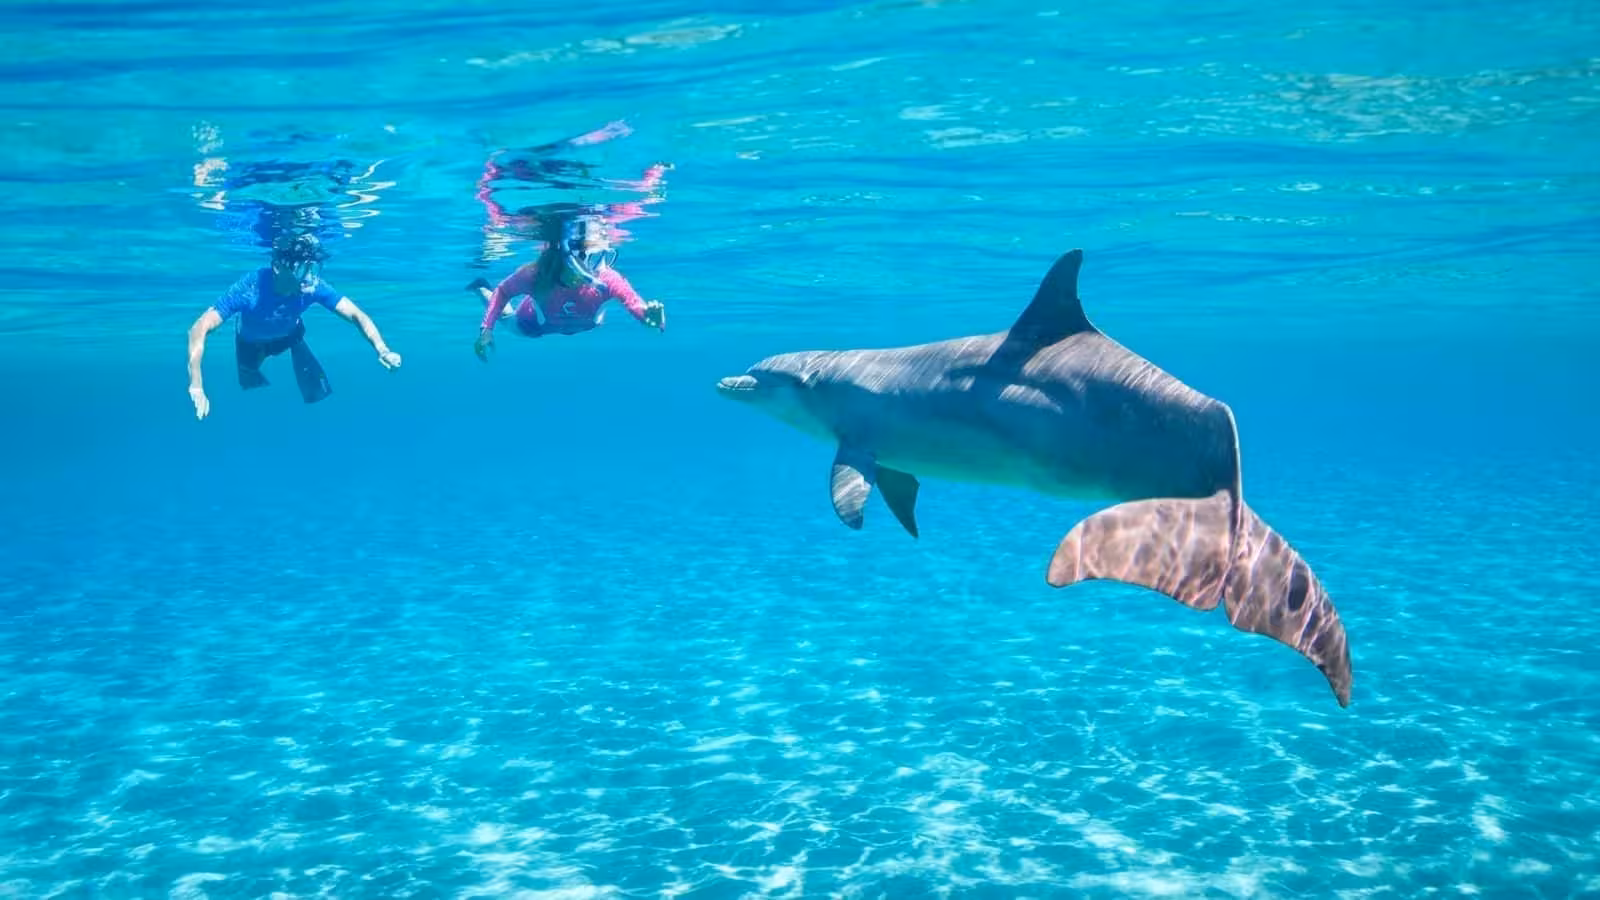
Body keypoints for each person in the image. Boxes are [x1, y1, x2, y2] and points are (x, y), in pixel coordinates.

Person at [185, 230, 401, 420]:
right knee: (249, 378)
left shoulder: (312, 287)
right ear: (278, 267)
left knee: (313, 384)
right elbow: (199, 328)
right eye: (302, 271)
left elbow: (356, 314)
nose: (309, 278)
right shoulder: (251, 288)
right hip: (251, 343)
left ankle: (297, 353)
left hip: (291, 335)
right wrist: (196, 383)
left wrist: (382, 349)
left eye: (314, 269)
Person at [468, 208, 666, 359]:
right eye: (588, 260)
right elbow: (503, 292)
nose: (593, 271)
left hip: (579, 325)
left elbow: (636, 306)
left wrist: (652, 320)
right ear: (567, 258)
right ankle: (481, 287)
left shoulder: (606, 278)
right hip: (531, 325)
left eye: (597, 259)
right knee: (506, 319)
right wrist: (486, 330)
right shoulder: (537, 274)